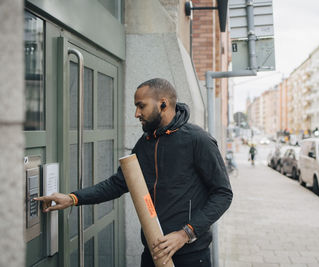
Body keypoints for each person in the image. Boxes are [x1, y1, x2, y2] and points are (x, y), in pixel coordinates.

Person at [35, 78, 233, 267]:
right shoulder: (144, 143)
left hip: (190, 255)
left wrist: (185, 234)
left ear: (163, 104)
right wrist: (72, 198)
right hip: (152, 252)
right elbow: (118, 183)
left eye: (141, 105)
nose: (136, 113)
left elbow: (223, 194)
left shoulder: (198, 140)